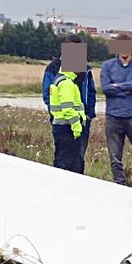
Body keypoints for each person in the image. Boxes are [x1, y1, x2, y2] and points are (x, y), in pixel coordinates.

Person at [42, 35, 97, 171]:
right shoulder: (54, 68)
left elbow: (91, 91)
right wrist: (56, 113)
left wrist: (89, 113)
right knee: (64, 157)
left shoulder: (85, 68)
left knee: (78, 156)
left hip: (82, 118)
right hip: (63, 121)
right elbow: (47, 94)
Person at [100, 34, 132, 185]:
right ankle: (120, 184)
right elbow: (105, 88)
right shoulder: (107, 66)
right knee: (115, 156)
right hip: (113, 116)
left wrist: (117, 86)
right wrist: (129, 85)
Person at [48, 69, 87, 172]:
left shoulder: (60, 79)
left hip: (60, 126)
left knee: (62, 158)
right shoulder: (66, 83)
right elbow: (68, 109)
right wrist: (77, 128)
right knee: (69, 163)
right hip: (67, 128)